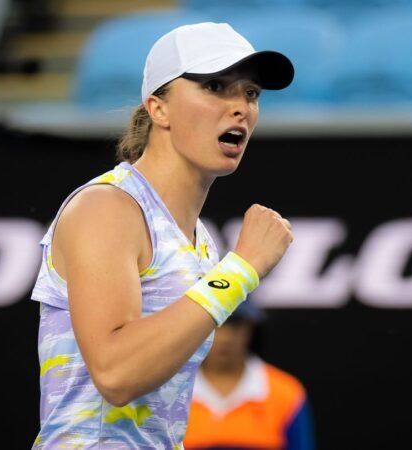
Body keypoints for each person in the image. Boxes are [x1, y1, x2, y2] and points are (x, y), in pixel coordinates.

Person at [29, 22, 295, 449]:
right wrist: (241, 269)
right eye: (215, 86)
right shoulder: (106, 207)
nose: (241, 108)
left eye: (250, 93)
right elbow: (116, 374)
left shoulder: (199, 241)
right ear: (158, 108)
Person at [184, 298, 316, 450]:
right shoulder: (172, 391)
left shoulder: (286, 394)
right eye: (215, 323)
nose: (225, 337)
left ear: (251, 327)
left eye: (235, 324)